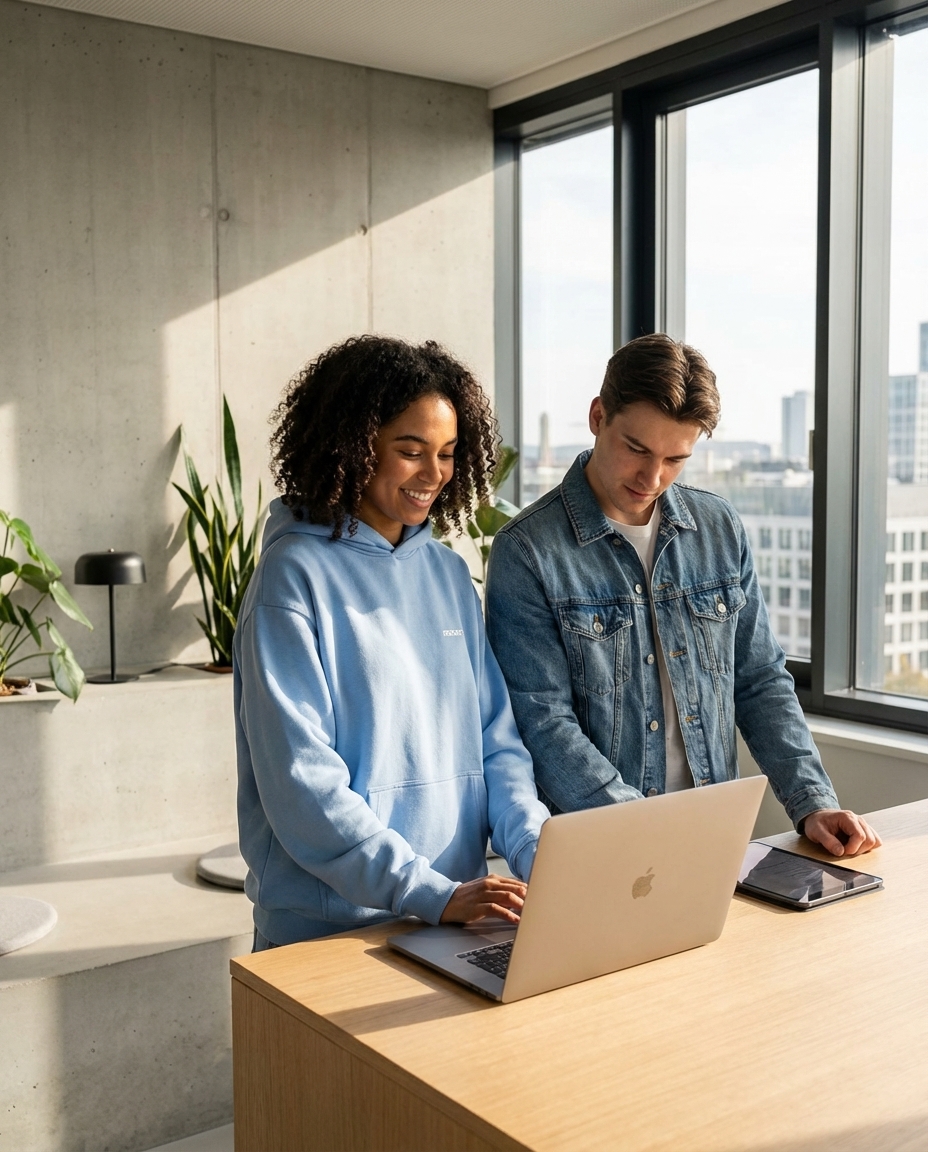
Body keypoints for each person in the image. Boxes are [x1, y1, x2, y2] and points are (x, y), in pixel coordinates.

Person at [485, 333, 880, 858]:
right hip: (597, 847)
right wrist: (643, 829)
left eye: (676, 459)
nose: (652, 477)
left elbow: (759, 679)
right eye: (637, 449)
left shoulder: (718, 527)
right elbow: (541, 720)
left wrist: (812, 801)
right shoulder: (529, 550)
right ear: (599, 416)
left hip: (712, 841)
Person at [234, 335, 550, 950]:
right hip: (329, 929)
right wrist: (426, 890)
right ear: (352, 447)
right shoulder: (291, 577)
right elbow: (303, 782)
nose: (433, 474)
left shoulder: (448, 573)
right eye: (410, 451)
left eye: (449, 453)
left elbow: (496, 743)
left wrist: (534, 847)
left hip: (453, 914)